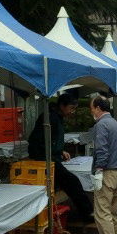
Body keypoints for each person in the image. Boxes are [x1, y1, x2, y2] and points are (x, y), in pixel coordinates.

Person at [27, 93, 94, 222]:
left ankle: (81, 213)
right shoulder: (49, 118)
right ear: (62, 106)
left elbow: (51, 139)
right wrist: (50, 154)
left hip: (53, 156)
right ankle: (87, 214)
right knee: (72, 181)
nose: (72, 112)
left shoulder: (57, 117)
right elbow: (38, 141)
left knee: (68, 183)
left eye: (74, 109)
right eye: (71, 108)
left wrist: (61, 150)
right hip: (45, 158)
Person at [89, 96, 117, 234]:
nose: (91, 111)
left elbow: (102, 150)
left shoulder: (101, 124)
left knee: (102, 213)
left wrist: (98, 170)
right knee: (113, 212)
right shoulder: (116, 124)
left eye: (92, 108)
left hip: (108, 173)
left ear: (98, 108)